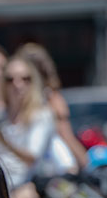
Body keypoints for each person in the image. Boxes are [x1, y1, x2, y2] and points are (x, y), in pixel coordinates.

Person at [0, 54, 77, 198]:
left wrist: (4, 141)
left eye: (25, 79)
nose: (18, 84)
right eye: (10, 79)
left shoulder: (41, 115)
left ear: (33, 82)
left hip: (27, 183)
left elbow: (31, 157)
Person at [17, 42, 88, 170]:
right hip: (52, 166)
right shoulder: (52, 98)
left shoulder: (13, 100)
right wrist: (86, 163)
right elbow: (65, 134)